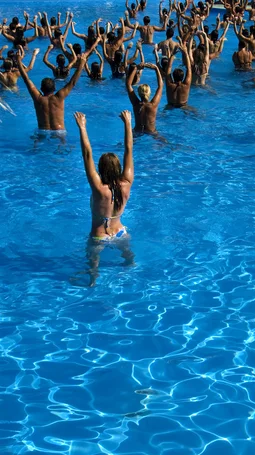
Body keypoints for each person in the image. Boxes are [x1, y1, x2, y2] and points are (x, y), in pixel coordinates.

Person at [74, 110, 134, 286]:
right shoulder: (127, 183)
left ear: (100, 169)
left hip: (99, 236)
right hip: (121, 233)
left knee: (94, 267)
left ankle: (92, 281)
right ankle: (130, 269)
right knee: (129, 260)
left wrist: (82, 127)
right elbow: (129, 149)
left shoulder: (99, 189)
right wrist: (128, 123)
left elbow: (87, 155)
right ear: (118, 168)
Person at [17, 53, 86, 133]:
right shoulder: (59, 97)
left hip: (42, 131)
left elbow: (26, 79)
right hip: (59, 131)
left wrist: (18, 60)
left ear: (41, 89)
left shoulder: (38, 98)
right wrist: (82, 64)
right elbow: (72, 82)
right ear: (54, 88)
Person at [126, 62, 163, 133]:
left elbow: (128, 84)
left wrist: (136, 68)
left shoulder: (136, 103)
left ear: (139, 93)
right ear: (149, 93)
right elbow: (160, 86)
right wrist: (156, 68)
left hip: (137, 131)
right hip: (151, 131)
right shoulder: (153, 105)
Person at [166, 40, 192, 106]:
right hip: (184, 106)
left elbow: (168, 68)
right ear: (183, 77)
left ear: (173, 76)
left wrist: (172, 54)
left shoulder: (169, 84)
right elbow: (189, 68)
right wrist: (185, 53)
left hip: (170, 106)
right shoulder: (186, 85)